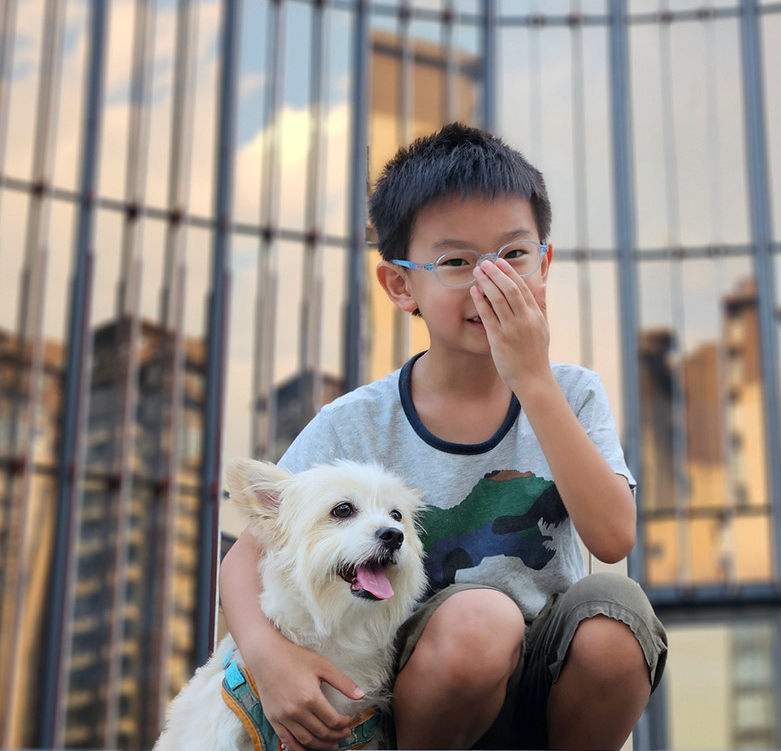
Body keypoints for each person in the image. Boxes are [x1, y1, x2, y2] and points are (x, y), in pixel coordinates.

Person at [218, 123, 667, 751]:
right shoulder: (358, 422)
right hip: (426, 686)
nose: (491, 282)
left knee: (617, 614)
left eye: (514, 255)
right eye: (457, 262)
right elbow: (245, 556)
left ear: (545, 264)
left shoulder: (573, 392)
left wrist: (533, 382)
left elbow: (613, 538)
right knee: (483, 618)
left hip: (546, 686)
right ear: (401, 286)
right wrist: (267, 658)